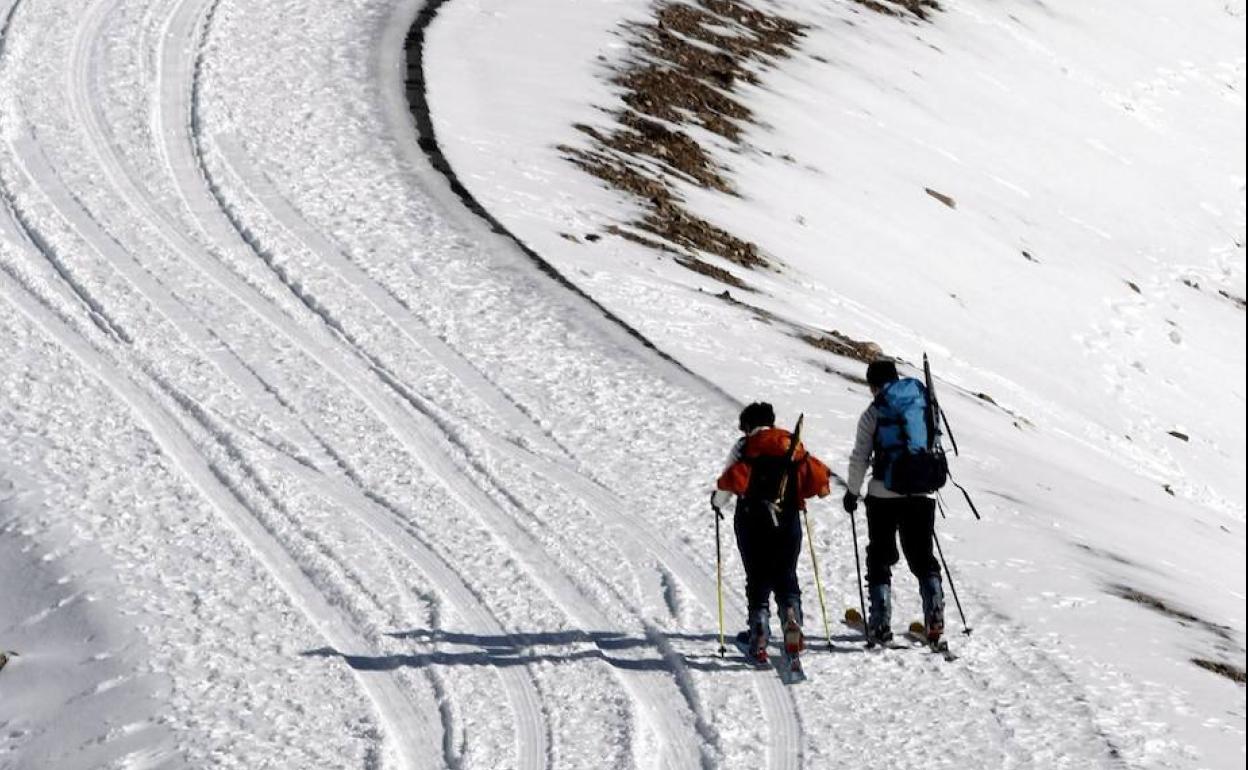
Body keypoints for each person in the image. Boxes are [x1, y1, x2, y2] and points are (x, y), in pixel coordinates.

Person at [712, 402, 830, 663]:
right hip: (788, 519)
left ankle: (759, 637)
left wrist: (716, 504)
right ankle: (791, 619)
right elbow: (815, 477)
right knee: (786, 573)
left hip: (752, 518)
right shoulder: (791, 444)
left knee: (757, 575)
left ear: (748, 426)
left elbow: (730, 479)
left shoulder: (745, 447)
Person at [842, 359, 946, 644]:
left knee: (880, 555)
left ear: (873, 385)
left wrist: (852, 492)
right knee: (922, 555)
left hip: (883, 494)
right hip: (923, 492)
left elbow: (860, 456)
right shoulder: (924, 403)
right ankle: (935, 614)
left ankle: (880, 622)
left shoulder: (874, 412)